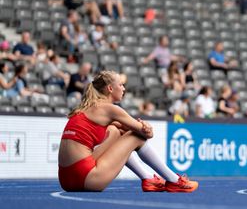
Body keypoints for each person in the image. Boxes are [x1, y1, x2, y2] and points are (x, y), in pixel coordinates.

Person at [58, 70, 198, 192]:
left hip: (66, 180)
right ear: (110, 89)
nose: (124, 88)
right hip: (87, 178)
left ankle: (148, 179)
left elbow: (121, 128)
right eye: (121, 85)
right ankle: (174, 181)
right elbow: (145, 134)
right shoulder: (110, 109)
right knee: (135, 136)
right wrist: (145, 126)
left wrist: (134, 127)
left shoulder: (87, 108)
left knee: (114, 131)